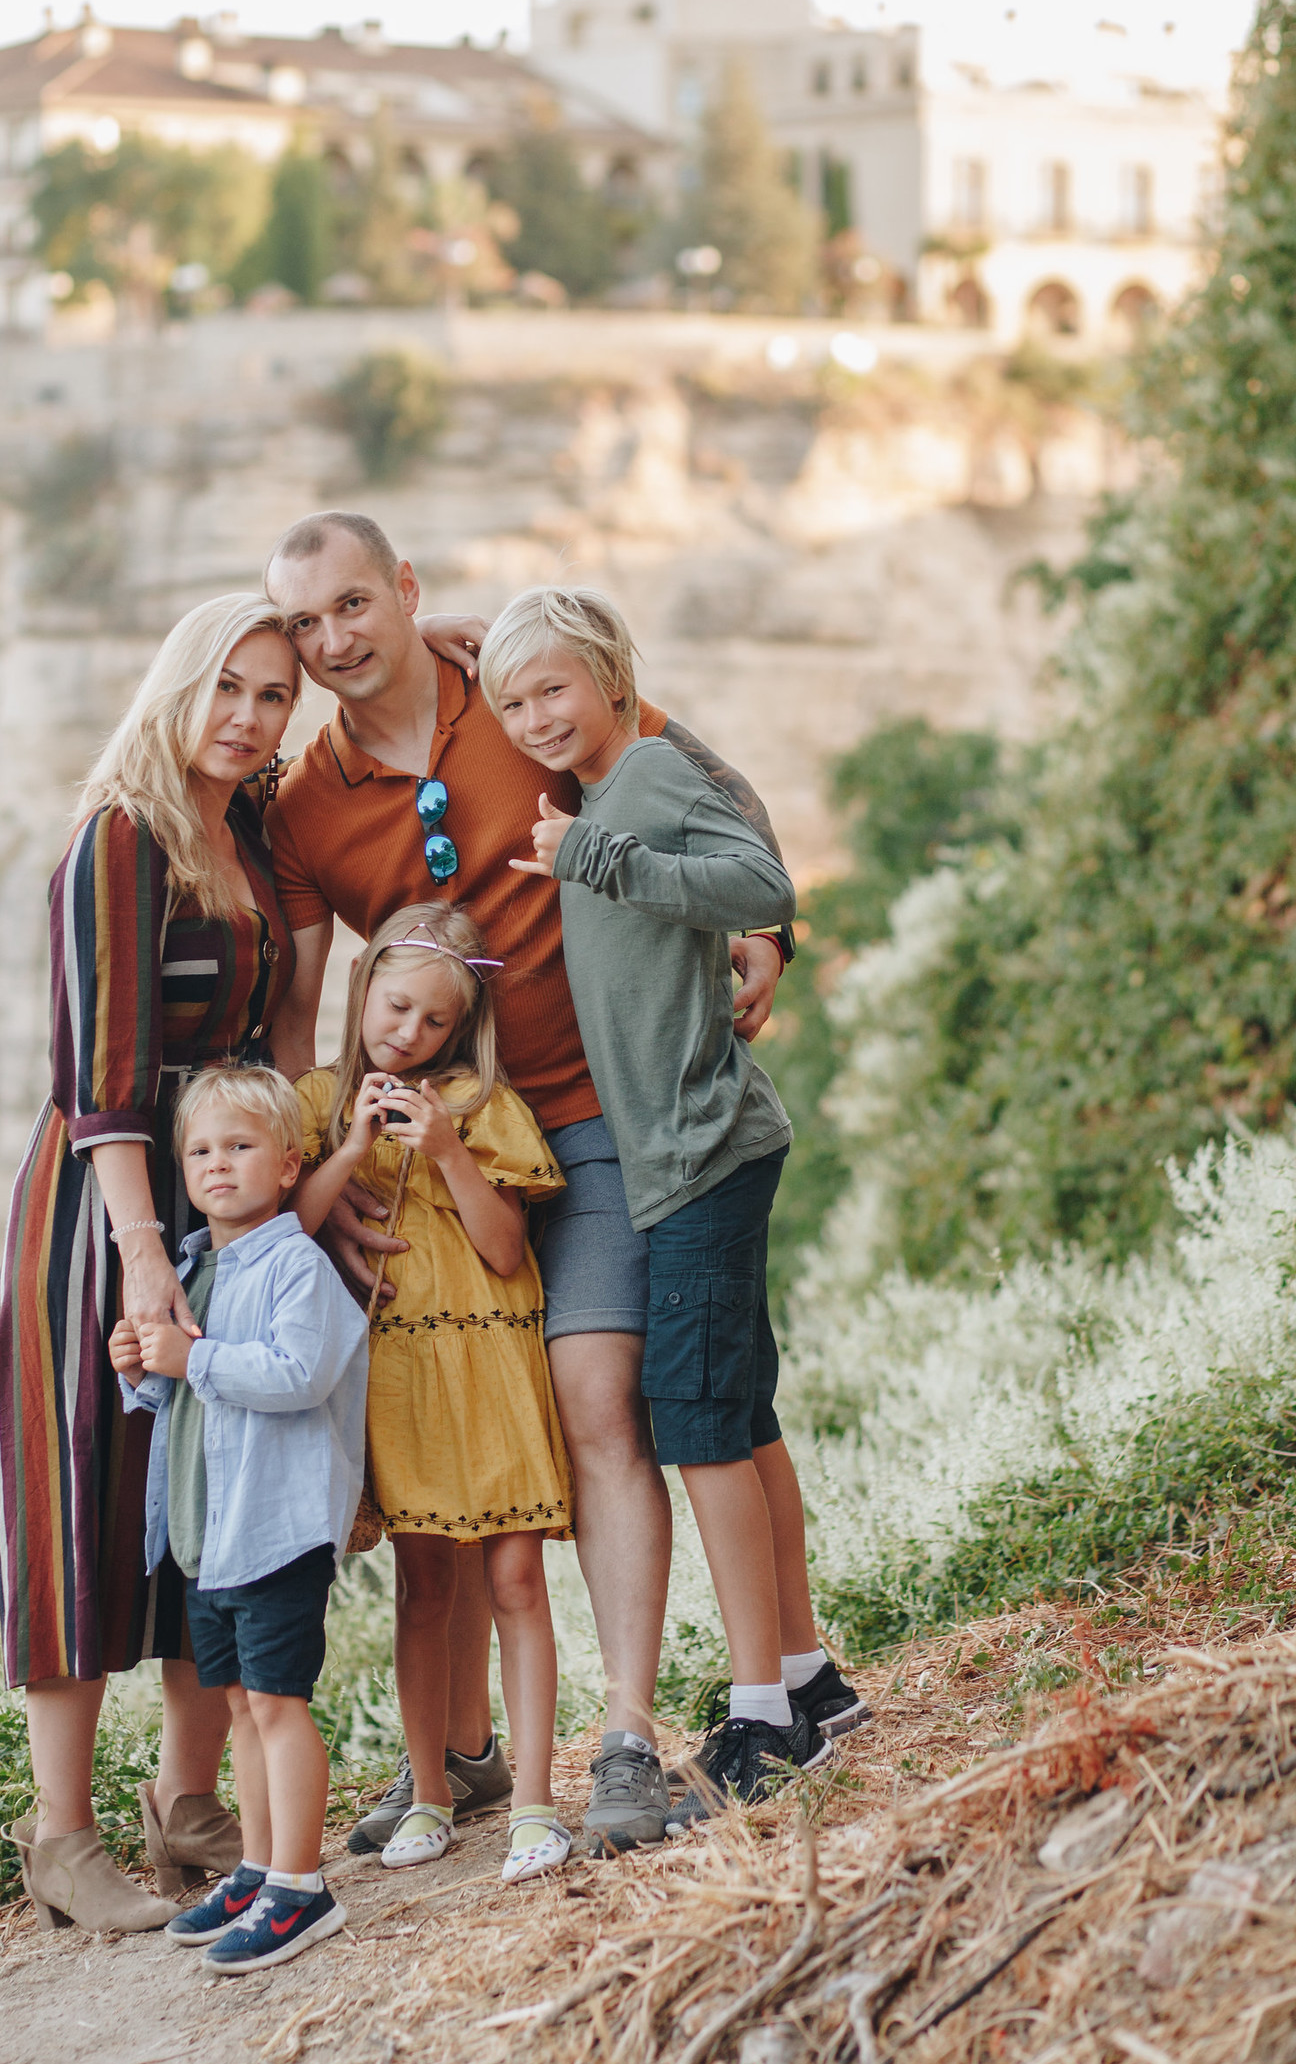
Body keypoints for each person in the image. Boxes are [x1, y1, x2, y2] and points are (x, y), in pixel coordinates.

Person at [264, 510, 795, 1852]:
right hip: (437, 1168)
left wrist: (771, 927)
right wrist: (307, 1180)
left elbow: (702, 785)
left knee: (598, 1401)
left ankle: (621, 1737)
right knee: (436, 1430)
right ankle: (449, 1762)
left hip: (601, 1121)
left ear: (404, 591)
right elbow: (305, 1004)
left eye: (352, 608)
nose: (334, 644)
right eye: (305, 624)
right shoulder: (306, 808)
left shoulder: (517, 691)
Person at [490, 583, 871, 1812]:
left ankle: (764, 1718)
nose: (534, 714)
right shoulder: (614, 790)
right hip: (680, 1156)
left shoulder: (636, 785)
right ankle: (808, 1678)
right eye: (510, 700)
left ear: (613, 677)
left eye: (553, 687)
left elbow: (760, 884)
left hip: (702, 1145)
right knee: (738, 1413)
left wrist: (593, 853)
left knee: (695, 1415)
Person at [0, 592, 302, 1934]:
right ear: (179, 683)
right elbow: (102, 1076)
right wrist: (137, 1255)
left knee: (207, 1491)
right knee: (85, 1492)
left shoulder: (246, 832)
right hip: (100, 1209)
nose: (248, 716)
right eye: (228, 686)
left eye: (276, 694)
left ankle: (186, 1809)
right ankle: (60, 1838)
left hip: (218, 1198)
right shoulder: (118, 840)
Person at [294, 903, 575, 1886]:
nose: (407, 1034)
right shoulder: (320, 1101)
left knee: (516, 1583)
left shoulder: (485, 1107)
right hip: (401, 1380)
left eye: (431, 1023)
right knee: (422, 1590)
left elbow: (505, 1252)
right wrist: (346, 1146)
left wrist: (451, 1149)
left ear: (459, 1032)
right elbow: (289, 1231)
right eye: (396, 1007)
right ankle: (428, 1793)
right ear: (363, 986)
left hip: (494, 1367)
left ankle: (535, 1798)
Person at [110, 1064, 368, 1971]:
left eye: (242, 1146)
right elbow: (177, 1398)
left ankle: (303, 1885)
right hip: (205, 1534)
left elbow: (300, 1377)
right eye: (201, 1150)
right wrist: (142, 1366)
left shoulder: (301, 1267)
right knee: (237, 1704)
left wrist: (195, 1356)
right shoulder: (189, 1270)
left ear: (291, 1164)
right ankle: (259, 1864)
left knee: (277, 1703)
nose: (218, 1165)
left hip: (275, 1526)